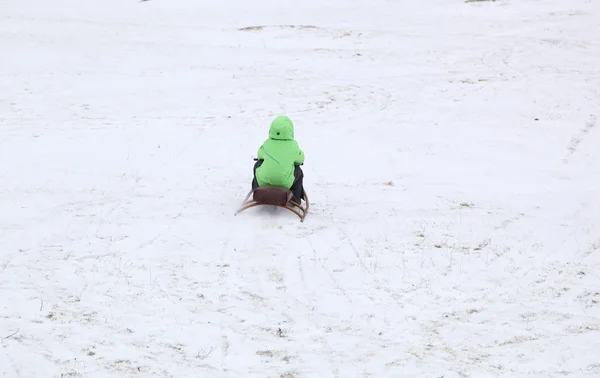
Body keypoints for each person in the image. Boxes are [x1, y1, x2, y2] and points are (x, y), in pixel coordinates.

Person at [252, 115, 305, 204]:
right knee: (298, 171)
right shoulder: (293, 145)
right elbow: (300, 160)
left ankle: (256, 190)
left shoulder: (267, 143)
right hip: (284, 183)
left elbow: (260, 155)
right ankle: (295, 199)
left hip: (264, 181)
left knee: (257, 165)